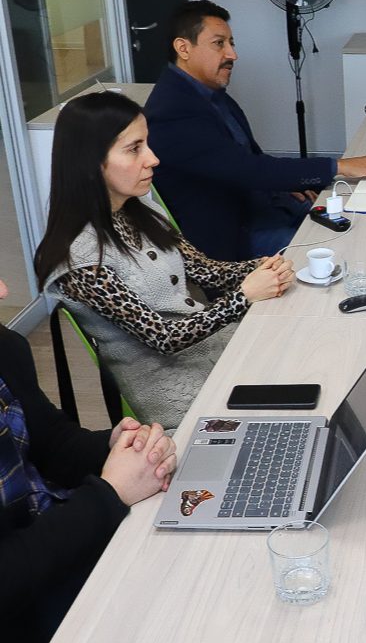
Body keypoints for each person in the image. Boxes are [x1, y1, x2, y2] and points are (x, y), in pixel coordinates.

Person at [34, 92, 294, 431]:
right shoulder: (80, 260)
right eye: (134, 148)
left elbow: (206, 272)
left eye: (147, 144)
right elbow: (164, 338)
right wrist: (244, 296)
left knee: (306, 362)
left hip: (215, 354)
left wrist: (265, 266)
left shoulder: (143, 211)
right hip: (178, 397)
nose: (153, 159)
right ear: (92, 162)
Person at [0, 276, 176, 643]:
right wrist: (111, 492)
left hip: (63, 537)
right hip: (22, 623)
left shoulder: (4, 350)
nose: (5, 291)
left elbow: (52, 442)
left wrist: (116, 446)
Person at [145, 0, 366, 260]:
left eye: (232, 43)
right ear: (183, 48)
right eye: (219, 43)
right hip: (234, 235)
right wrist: (338, 166)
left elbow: (248, 161)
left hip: (262, 205)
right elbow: (247, 170)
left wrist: (284, 182)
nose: (232, 54)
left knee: (362, 220)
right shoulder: (172, 112)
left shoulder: (207, 92)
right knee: (341, 249)